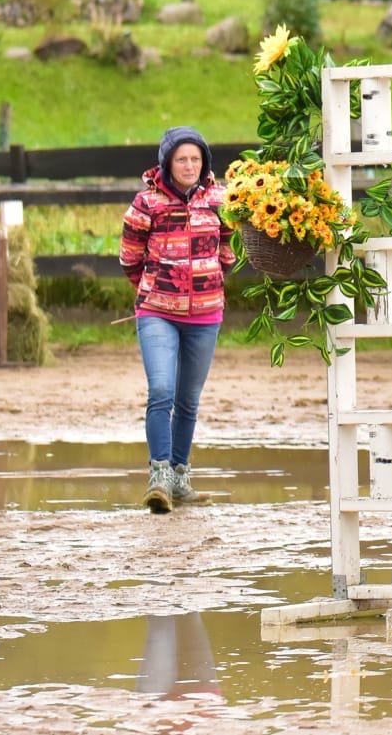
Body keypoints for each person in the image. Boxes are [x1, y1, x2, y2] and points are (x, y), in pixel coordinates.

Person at [120, 126, 234, 512]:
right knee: (161, 391)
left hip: (206, 314)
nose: (189, 166)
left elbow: (230, 248)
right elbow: (129, 256)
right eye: (181, 159)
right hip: (157, 312)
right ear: (167, 162)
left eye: (195, 159)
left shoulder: (220, 200)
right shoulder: (146, 202)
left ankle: (181, 479)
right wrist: (154, 288)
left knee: (188, 400)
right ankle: (160, 478)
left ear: (204, 163)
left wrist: (209, 279)